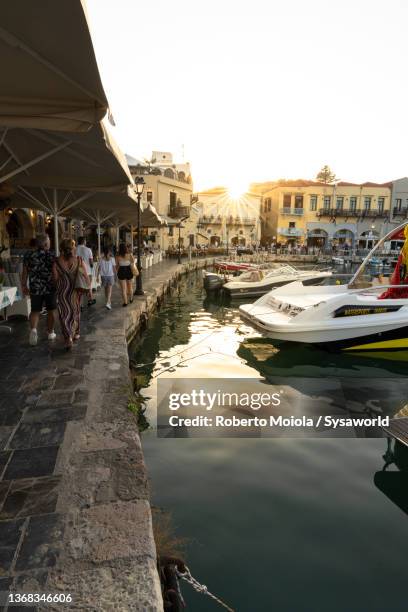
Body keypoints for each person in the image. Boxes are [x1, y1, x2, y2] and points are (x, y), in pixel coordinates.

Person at [52, 239, 89, 350]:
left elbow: (55, 279)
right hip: (75, 290)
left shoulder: (56, 261)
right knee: (75, 311)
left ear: (61, 249)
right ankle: (75, 333)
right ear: (72, 248)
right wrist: (89, 290)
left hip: (62, 291)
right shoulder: (78, 260)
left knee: (64, 314)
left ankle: (68, 337)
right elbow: (86, 276)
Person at [22, 234, 57, 346]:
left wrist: (23, 285)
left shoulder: (28, 255)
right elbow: (55, 272)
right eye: (49, 241)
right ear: (45, 244)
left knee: (35, 311)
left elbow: (25, 272)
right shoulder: (51, 255)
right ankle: (50, 332)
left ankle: (33, 330)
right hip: (49, 288)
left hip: (35, 287)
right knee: (51, 310)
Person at [76, 236, 95, 307]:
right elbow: (91, 262)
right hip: (87, 271)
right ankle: (90, 299)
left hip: (77, 271)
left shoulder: (75, 249)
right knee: (88, 285)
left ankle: (80, 305)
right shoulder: (88, 249)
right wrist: (91, 266)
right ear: (84, 241)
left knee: (79, 287)